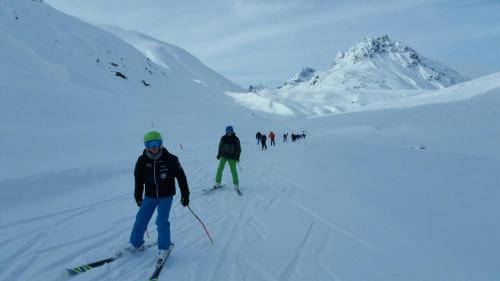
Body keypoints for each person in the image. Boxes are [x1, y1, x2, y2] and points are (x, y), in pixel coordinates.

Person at [127, 130, 190, 261]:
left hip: (166, 196)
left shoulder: (171, 159)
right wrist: (138, 196)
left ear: (161, 144)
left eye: (156, 143)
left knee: (161, 221)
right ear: (146, 146)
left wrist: (185, 195)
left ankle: (164, 248)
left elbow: (181, 177)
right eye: (150, 144)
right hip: (149, 196)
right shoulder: (142, 161)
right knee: (141, 219)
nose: (154, 146)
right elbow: (138, 180)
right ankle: (135, 244)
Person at [215, 126, 241, 191]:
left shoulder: (236, 139)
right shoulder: (223, 138)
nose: (229, 133)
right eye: (228, 131)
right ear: (226, 131)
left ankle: (236, 185)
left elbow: (238, 149)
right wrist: (219, 154)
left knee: (233, 171)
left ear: (232, 131)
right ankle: (218, 182)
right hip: (223, 155)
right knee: (220, 169)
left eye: (230, 131)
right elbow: (220, 146)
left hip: (232, 157)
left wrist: (237, 156)